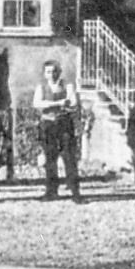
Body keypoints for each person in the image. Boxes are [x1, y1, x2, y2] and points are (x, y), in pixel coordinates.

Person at [33, 60, 82, 202]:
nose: (52, 74)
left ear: (59, 72)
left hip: (64, 124)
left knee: (69, 157)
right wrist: (58, 104)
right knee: (50, 158)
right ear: (44, 74)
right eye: (48, 72)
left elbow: (73, 103)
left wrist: (51, 106)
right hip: (48, 125)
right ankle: (51, 191)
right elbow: (37, 104)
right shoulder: (41, 87)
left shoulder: (68, 86)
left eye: (54, 71)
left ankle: (75, 192)